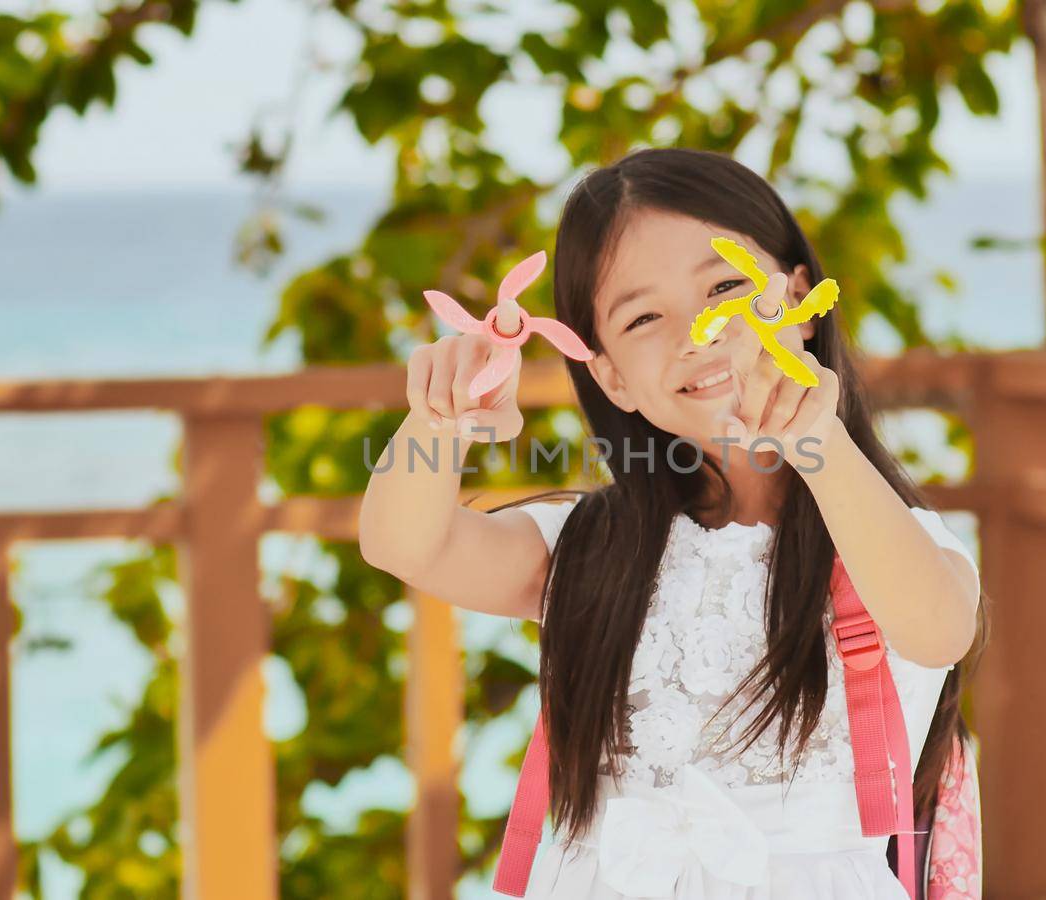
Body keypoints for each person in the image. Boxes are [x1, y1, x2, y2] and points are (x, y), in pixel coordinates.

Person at [359, 146, 988, 899]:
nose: (701, 330)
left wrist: (817, 446)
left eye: (726, 285)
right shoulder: (591, 549)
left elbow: (941, 628)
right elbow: (405, 544)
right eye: (644, 315)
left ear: (800, 301)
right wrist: (441, 421)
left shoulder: (883, 538)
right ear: (611, 376)